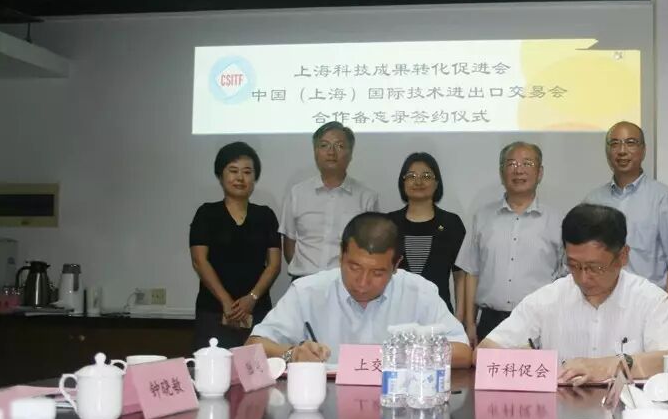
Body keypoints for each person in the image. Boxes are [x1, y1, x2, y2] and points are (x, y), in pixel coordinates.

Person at [478, 203, 668, 384]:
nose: (584, 278)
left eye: (595, 267)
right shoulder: (547, 299)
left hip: (625, 412)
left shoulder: (650, 300)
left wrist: (610, 365)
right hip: (560, 412)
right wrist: (523, 361)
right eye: (574, 265)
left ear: (623, 256)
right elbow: (482, 353)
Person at [247, 212, 471, 367]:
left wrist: (403, 355)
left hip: (396, 408)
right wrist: (292, 354)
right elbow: (253, 346)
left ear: (396, 265)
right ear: (341, 255)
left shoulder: (419, 292)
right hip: (326, 409)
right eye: (354, 267)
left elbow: (462, 352)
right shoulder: (307, 291)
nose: (362, 283)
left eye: (377, 273)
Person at [456, 141, 564, 345]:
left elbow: (565, 278)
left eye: (527, 163)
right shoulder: (482, 217)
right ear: (501, 172)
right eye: (511, 163)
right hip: (490, 321)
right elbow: (472, 272)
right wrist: (470, 323)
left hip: (539, 322)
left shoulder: (557, 221)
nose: (519, 170)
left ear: (540, 173)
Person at [586, 121, 668, 300]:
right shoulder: (593, 201)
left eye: (630, 143)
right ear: (607, 152)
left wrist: (664, 307)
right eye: (615, 144)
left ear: (643, 150)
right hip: (602, 304)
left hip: (648, 305)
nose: (622, 150)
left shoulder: (662, 197)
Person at [189, 142, 281, 348]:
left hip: (257, 310)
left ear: (255, 178)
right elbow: (199, 261)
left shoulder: (265, 215)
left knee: (258, 366)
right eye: (233, 171)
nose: (240, 178)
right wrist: (226, 301)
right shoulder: (206, 214)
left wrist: (252, 298)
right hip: (213, 311)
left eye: (247, 172)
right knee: (212, 365)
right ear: (220, 175)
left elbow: (274, 265)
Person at [279, 122, 379, 278]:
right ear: (315, 152)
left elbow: (369, 248)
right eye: (324, 145)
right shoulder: (297, 193)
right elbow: (289, 243)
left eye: (339, 146)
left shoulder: (366, 197)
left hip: (346, 283)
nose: (331, 152)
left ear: (350, 154)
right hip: (304, 281)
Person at [387, 152, 467, 315]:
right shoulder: (388, 223)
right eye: (411, 176)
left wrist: (459, 319)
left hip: (439, 315)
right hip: (395, 314)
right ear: (403, 182)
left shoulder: (451, 223)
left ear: (437, 183)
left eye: (426, 176)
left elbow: (460, 275)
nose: (418, 181)